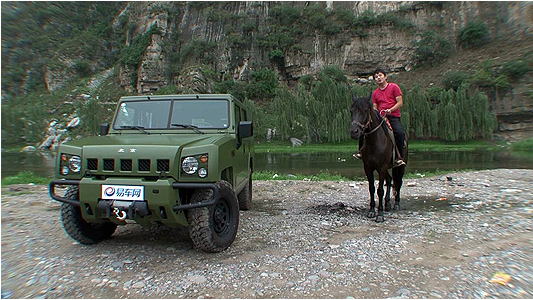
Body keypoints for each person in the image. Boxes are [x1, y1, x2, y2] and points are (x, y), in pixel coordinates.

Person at [354, 68, 406, 167]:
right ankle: (361, 152)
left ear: (385, 77)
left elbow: (400, 102)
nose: (378, 78)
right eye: (376, 77)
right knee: (363, 130)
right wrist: (375, 115)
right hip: (380, 118)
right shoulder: (375, 93)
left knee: (399, 133)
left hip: (393, 116)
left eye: (380, 75)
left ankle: (399, 157)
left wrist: (390, 110)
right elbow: (375, 107)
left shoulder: (394, 87)